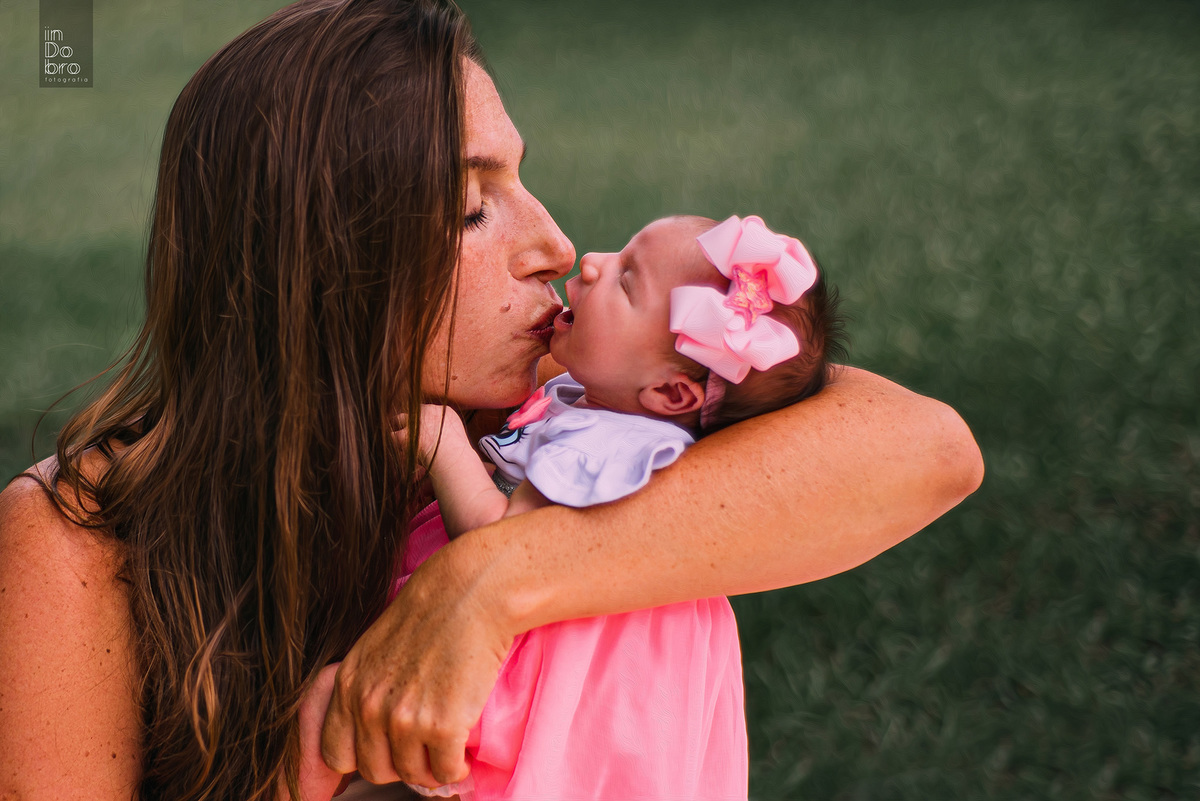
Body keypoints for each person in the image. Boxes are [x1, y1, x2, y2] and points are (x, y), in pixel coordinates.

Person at [0, 1, 984, 800]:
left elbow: (926, 450)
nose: (556, 244)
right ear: (317, 259)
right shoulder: (77, 541)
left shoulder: (544, 406)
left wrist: (482, 591)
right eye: (474, 205)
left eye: (522, 176)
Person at [296, 212, 846, 801]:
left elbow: (497, 543)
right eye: (622, 250)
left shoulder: (607, 445)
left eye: (627, 281)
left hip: (523, 684)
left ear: (669, 392)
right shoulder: (607, 420)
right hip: (582, 690)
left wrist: (445, 445)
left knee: (327, 713)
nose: (591, 262)